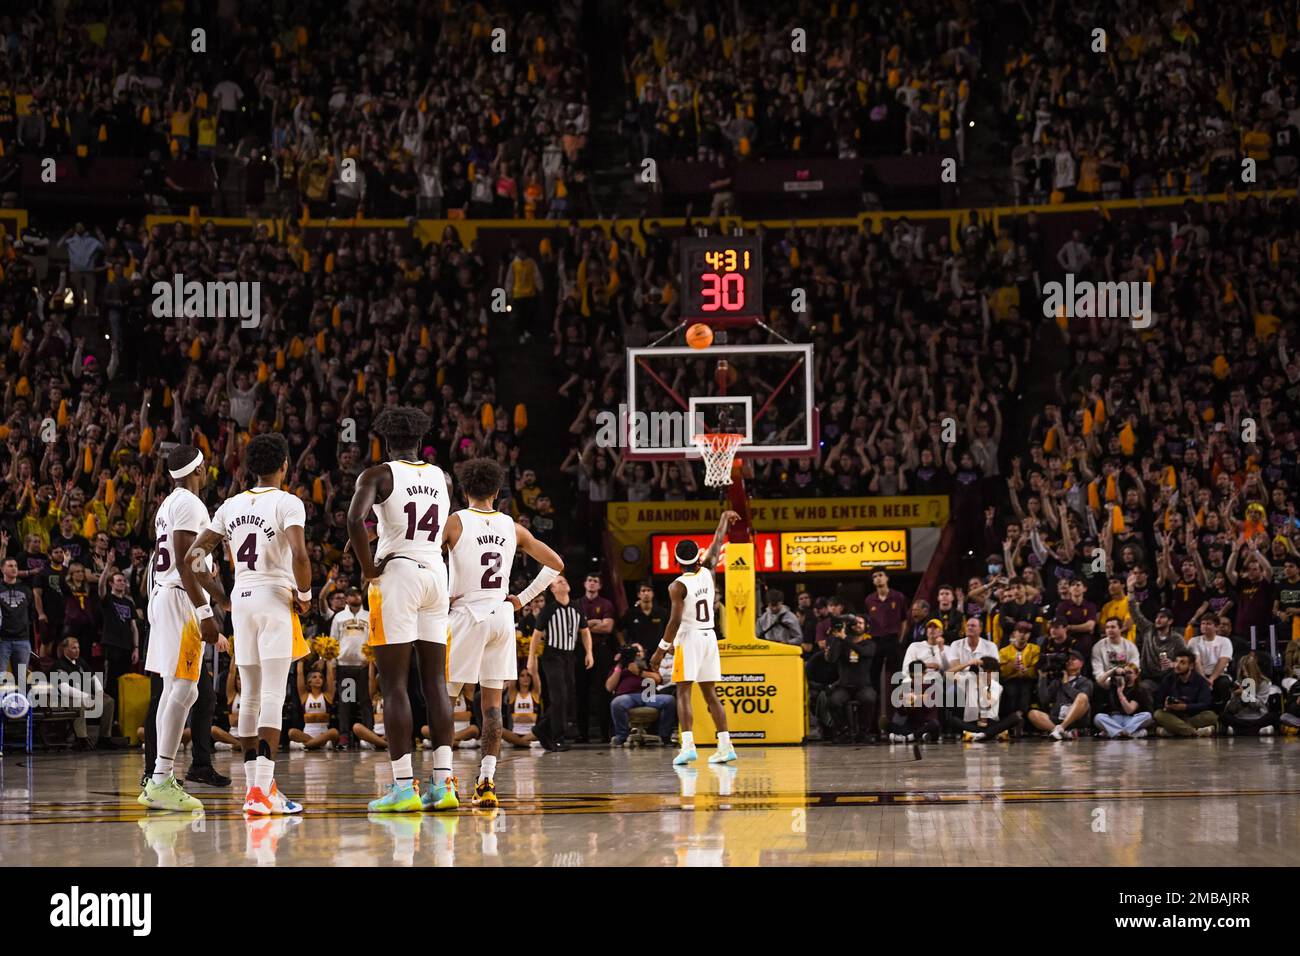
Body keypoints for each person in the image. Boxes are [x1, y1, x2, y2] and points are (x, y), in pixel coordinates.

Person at [187, 433, 313, 815]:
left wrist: (222, 597)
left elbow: (194, 557)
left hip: (242, 600)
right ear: (285, 466)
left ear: (249, 469)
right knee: (273, 694)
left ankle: (256, 789)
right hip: (275, 597)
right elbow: (300, 554)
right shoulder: (288, 502)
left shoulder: (230, 505)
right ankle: (261, 793)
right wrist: (305, 597)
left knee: (251, 694)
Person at [346, 407, 457, 813]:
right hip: (435, 572)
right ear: (421, 438)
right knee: (435, 683)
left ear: (385, 440)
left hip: (399, 573)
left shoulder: (377, 475)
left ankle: (403, 788)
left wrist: (367, 566)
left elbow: (354, 519)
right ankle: (444, 785)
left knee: (394, 683)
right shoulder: (442, 476)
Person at [443, 457, 563, 807]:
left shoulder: (455, 522)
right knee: (493, 706)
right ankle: (486, 781)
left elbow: (430, 558)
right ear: (497, 492)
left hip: (467, 613)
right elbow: (556, 564)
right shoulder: (513, 527)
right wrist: (521, 600)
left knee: (446, 701)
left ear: (465, 491)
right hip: (500, 615)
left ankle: (444, 780)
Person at [137, 445, 226, 813]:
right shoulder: (189, 502)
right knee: (185, 689)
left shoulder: (168, 504)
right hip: (178, 598)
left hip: (164, 595)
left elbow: (185, 560)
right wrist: (206, 608)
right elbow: (188, 560)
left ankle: (159, 777)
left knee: (177, 691)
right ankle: (160, 778)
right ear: (199, 469)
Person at [649, 510, 740, 767]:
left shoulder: (677, 585)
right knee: (711, 694)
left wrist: (660, 650)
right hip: (709, 636)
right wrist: (723, 519)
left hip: (689, 638)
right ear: (698, 556)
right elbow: (718, 541)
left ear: (677, 561)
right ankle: (725, 746)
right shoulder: (709, 570)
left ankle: (688, 746)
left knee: (684, 693)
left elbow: (675, 621)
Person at [527, 574, 593, 751]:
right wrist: (531, 660)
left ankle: (542, 729)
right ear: (553, 589)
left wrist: (589, 652)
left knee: (567, 697)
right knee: (559, 696)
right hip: (552, 656)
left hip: (569, 656)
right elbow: (536, 636)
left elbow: (585, 631)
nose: (564, 582)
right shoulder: (548, 610)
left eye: (565, 580)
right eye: (558, 582)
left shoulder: (577, 608)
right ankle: (558, 736)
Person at [607, 641, 676, 746]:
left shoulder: (649, 664)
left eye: (639, 651)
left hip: (649, 696)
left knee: (669, 700)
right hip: (627, 697)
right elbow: (609, 687)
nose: (637, 654)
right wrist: (620, 666)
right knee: (617, 703)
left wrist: (640, 672)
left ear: (644, 653)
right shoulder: (619, 667)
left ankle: (665, 736)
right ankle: (621, 737)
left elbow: (658, 679)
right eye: (633, 652)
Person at [575, 571, 617, 742]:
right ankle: (581, 734)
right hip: (580, 651)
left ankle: (604, 733)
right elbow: (573, 629)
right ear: (585, 584)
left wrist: (585, 625)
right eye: (589, 580)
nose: (592, 583)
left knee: (603, 692)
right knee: (580, 693)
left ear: (600, 586)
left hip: (601, 650)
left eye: (595, 581)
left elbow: (608, 628)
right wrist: (594, 623)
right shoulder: (576, 603)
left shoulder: (606, 604)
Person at [823, 614, 878, 742]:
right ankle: (844, 731)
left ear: (866, 626)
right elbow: (831, 659)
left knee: (869, 698)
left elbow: (864, 653)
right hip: (844, 686)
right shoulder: (841, 642)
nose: (857, 625)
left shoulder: (869, 643)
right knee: (834, 700)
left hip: (863, 686)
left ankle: (863, 732)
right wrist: (836, 638)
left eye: (861, 623)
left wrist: (845, 638)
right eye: (855, 623)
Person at [330, 586, 370, 748]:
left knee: (365, 701)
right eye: (352, 594)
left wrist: (372, 659)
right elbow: (333, 641)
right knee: (346, 702)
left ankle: (368, 734)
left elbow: (373, 639)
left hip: (364, 665)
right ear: (346, 598)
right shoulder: (339, 617)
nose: (356, 597)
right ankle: (344, 735)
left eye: (358, 594)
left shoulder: (368, 616)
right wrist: (333, 664)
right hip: (345, 666)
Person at [1027, 649, 1092, 739]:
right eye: (1068, 660)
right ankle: (1060, 732)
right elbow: (1044, 700)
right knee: (1033, 713)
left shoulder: (1086, 681)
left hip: (1076, 719)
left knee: (1082, 696)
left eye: (1073, 659)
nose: (1069, 661)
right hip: (1057, 718)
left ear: (1081, 663)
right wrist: (1042, 678)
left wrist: (1066, 685)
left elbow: (1083, 700)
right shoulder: (1057, 681)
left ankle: (1061, 728)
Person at [1153, 649, 1217, 737]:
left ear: (1191, 666)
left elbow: (1205, 704)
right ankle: (1194, 732)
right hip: (1174, 716)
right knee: (1158, 714)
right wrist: (1166, 706)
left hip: (1192, 716)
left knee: (1211, 716)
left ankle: (1174, 731)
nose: (1177, 665)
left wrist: (1185, 707)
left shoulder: (1200, 681)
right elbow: (1158, 702)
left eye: (1182, 663)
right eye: (1176, 662)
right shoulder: (1168, 679)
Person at [1221, 652, 1280, 736]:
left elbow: (1260, 705)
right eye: (1242, 671)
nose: (1245, 674)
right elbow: (1232, 709)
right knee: (1224, 716)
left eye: (1247, 670)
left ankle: (1239, 731)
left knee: (1274, 716)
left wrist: (1244, 694)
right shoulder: (1238, 683)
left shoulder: (1264, 683)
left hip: (1258, 717)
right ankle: (1257, 731)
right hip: (1241, 717)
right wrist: (1235, 697)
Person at [1093, 662, 1153, 738]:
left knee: (1147, 716)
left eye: (1129, 673)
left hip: (1131, 720)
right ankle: (1130, 733)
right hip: (1115, 719)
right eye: (1125, 673)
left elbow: (1129, 710)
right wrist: (1114, 670)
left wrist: (1120, 693)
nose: (1126, 675)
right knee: (1098, 717)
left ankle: (1114, 733)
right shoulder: (1114, 685)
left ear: (1136, 675)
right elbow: (1099, 682)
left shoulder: (1139, 690)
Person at [288, 662, 339, 749]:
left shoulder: (327, 695)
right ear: (309, 681)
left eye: (320, 677)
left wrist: (328, 656)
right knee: (291, 732)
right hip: (307, 734)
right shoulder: (304, 696)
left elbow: (330, 675)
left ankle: (306, 745)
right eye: (314, 677)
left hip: (323, 734)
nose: (318, 679)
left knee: (334, 732)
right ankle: (319, 744)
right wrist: (301, 660)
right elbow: (300, 673)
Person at [1187, 615, 1235, 706]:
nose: (1204, 626)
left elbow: (1223, 661)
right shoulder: (1193, 641)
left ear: (1216, 627)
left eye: (1208, 624)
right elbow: (1197, 661)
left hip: (1219, 675)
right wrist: (1204, 679)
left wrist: (1211, 679)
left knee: (1224, 683)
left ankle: (1222, 709)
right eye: (1203, 623)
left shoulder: (1225, 641)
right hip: (1200, 674)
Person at [997, 621, 1039, 719]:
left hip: (1028, 680)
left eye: (1026, 632)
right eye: (1020, 631)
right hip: (1010, 680)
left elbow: (1036, 669)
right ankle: (1010, 720)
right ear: (1014, 633)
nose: (1023, 635)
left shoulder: (1035, 649)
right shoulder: (1004, 651)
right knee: (1012, 691)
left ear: (1029, 635)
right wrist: (1012, 667)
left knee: (1025, 691)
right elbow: (1001, 672)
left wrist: (1027, 671)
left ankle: (1021, 721)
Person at [502, 668, 541, 747]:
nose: (525, 678)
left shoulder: (534, 693)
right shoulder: (513, 694)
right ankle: (528, 744)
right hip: (515, 733)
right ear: (518, 678)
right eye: (522, 676)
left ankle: (516, 742)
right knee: (500, 730)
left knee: (544, 730)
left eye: (528, 675)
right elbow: (512, 675)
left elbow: (535, 673)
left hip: (531, 733)